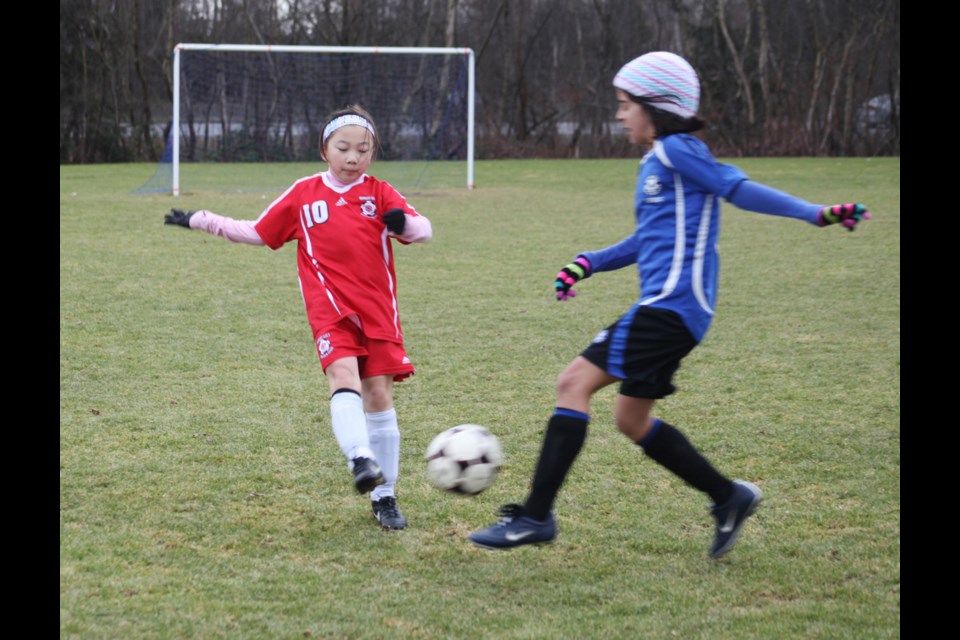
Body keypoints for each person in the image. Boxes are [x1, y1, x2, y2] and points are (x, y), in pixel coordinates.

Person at [468, 52, 870, 557]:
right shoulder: (657, 162)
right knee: (632, 420)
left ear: (655, 105)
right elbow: (648, 239)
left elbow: (736, 189)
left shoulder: (679, 149)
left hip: (670, 307)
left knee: (572, 384)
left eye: (624, 104)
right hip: (676, 312)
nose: (619, 115)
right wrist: (587, 262)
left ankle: (535, 516)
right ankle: (729, 497)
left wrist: (815, 214)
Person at [164, 105, 433, 531]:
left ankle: (385, 496)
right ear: (324, 150)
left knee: (378, 394)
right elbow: (257, 231)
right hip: (330, 312)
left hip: (378, 312)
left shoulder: (379, 192)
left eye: (363, 150)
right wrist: (201, 219)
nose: (353, 158)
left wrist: (404, 223)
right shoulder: (304, 194)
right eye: (343, 148)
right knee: (342, 376)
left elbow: (422, 229)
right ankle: (360, 458)